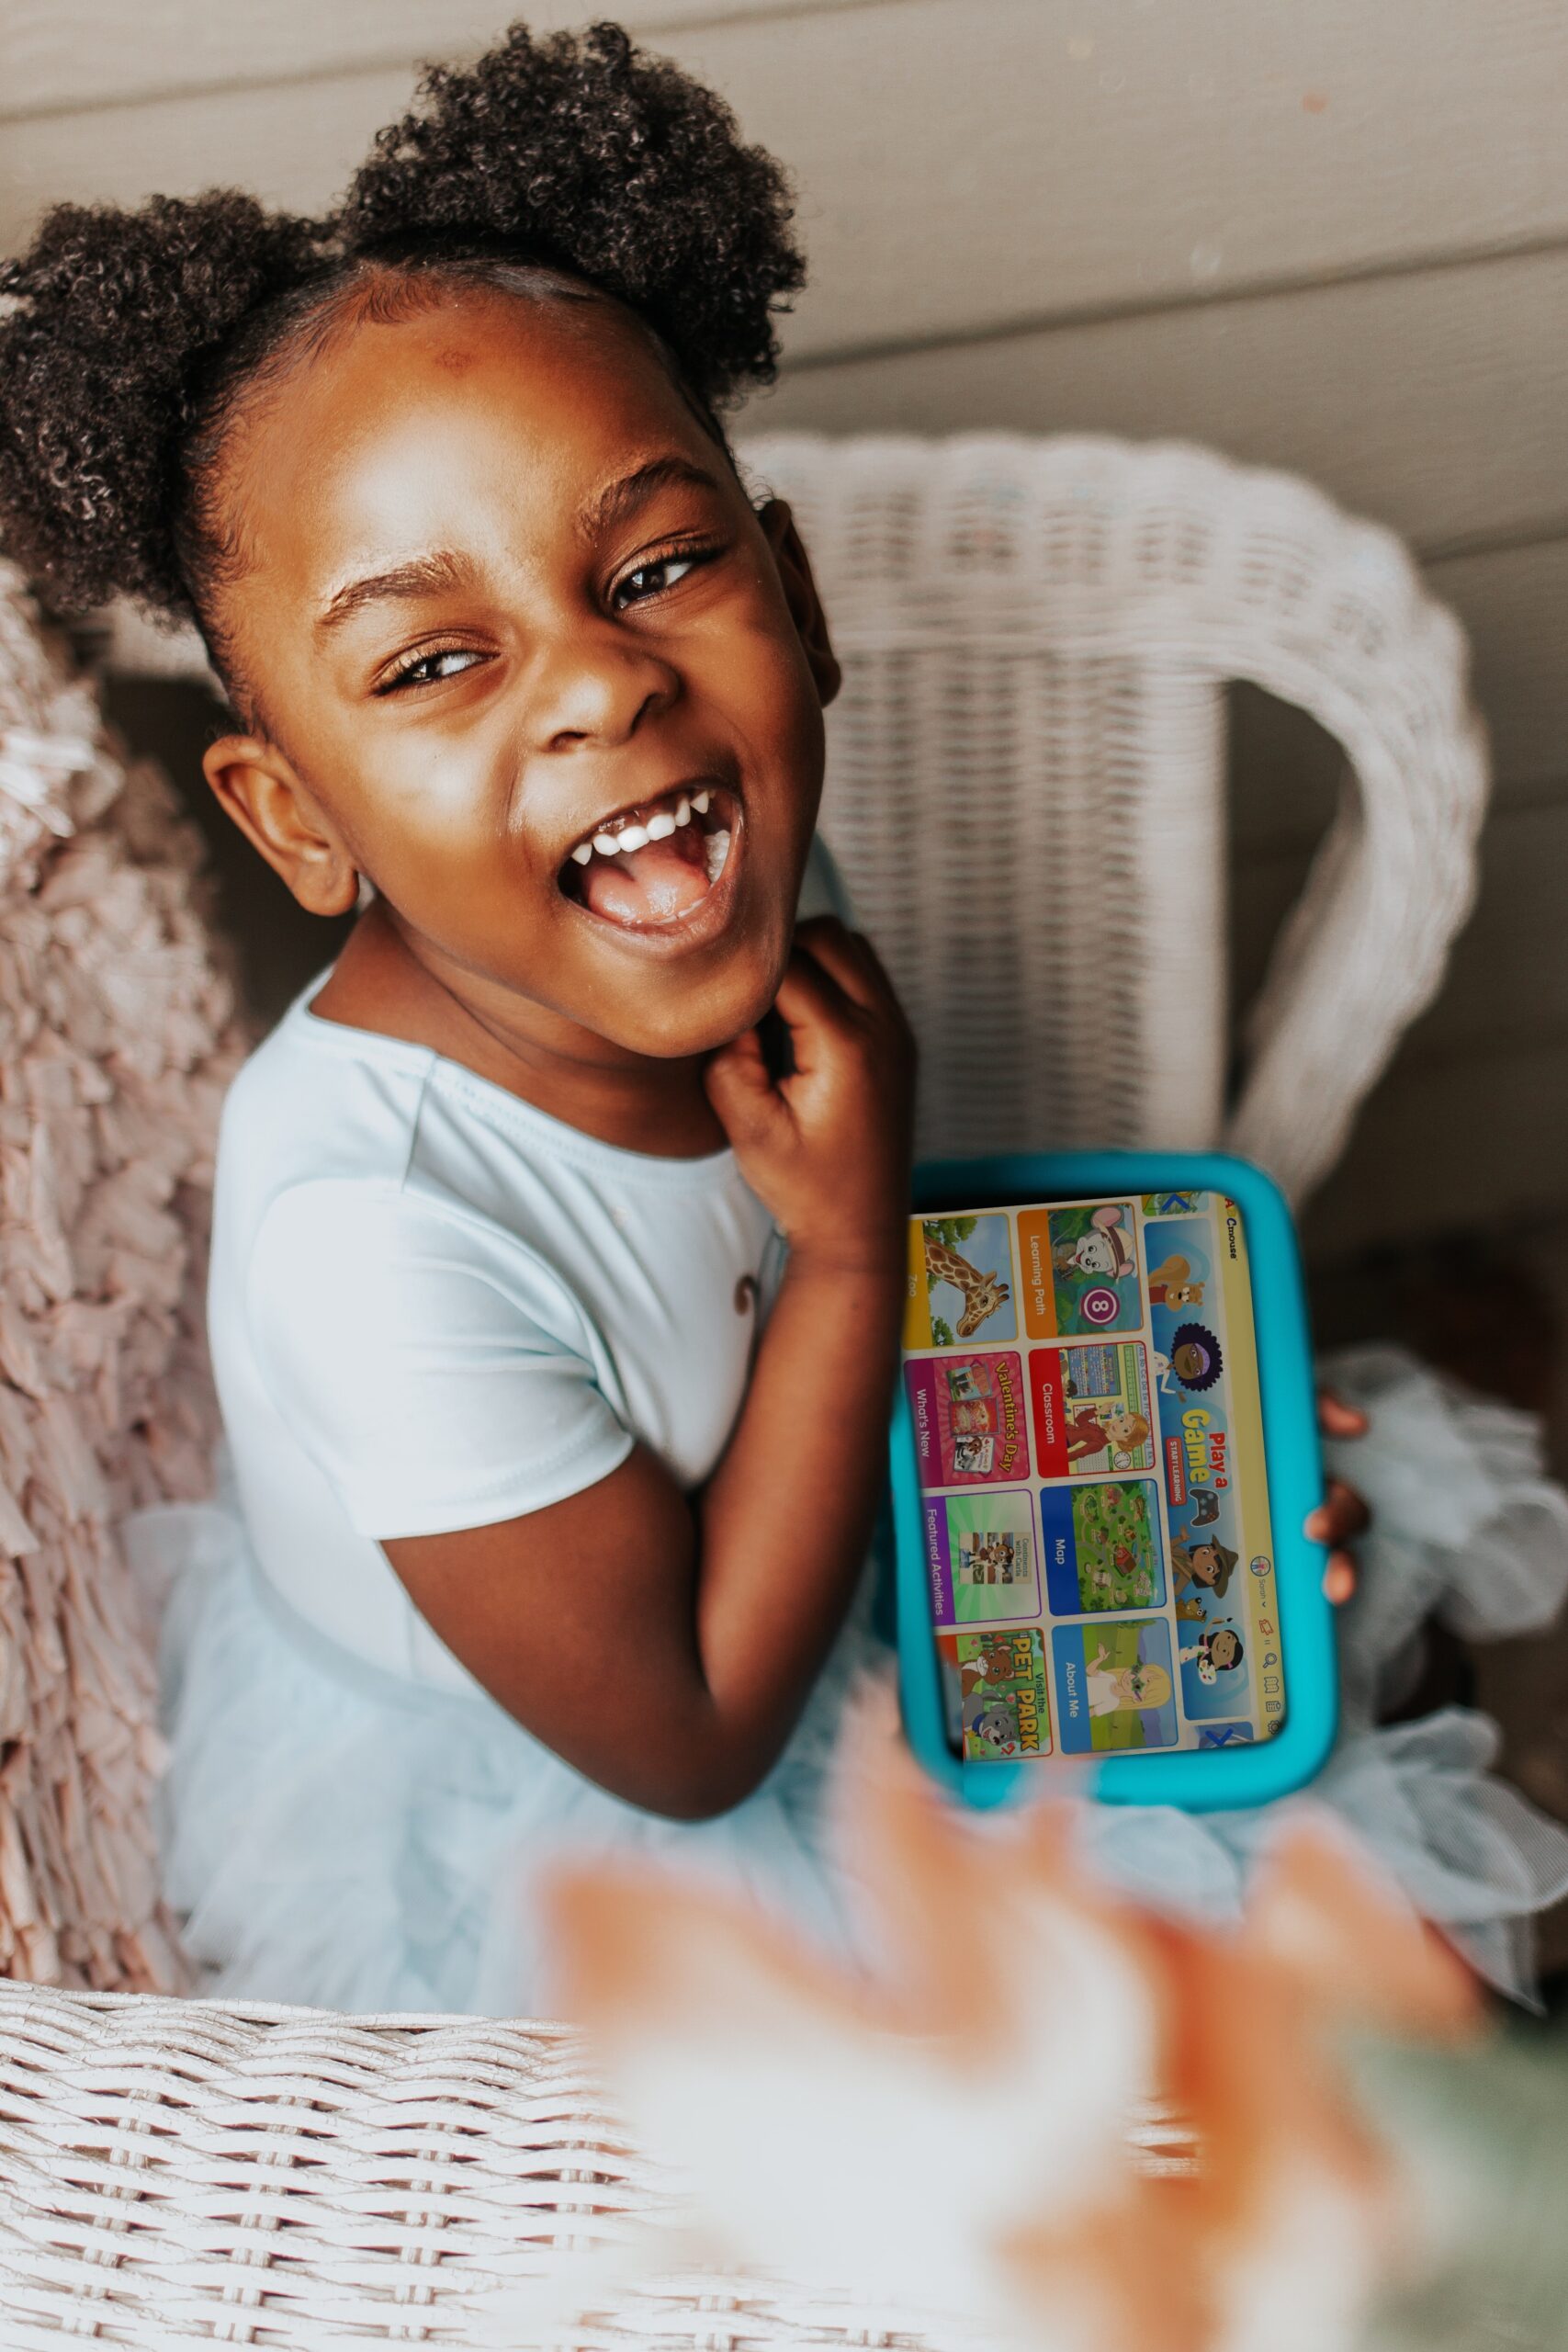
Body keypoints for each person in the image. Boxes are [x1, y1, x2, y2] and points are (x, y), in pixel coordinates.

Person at [0, 21, 1540, 2013]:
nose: (600, 686)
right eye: (436, 661)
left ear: (794, 604)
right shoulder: (367, 1233)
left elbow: (798, 1327)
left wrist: (1137, 1436)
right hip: (601, 1803)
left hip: (835, 1506)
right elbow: (691, 1731)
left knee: (1356, 1694)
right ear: (295, 816)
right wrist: (852, 1246)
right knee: (1223, 2034)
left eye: (654, 565)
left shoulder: (718, 876)